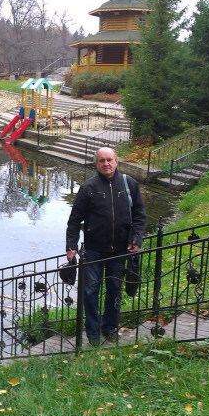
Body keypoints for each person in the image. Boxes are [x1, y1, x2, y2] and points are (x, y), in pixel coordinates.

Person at [66, 147, 147, 346]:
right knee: (90, 291)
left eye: (109, 160)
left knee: (114, 289)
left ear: (116, 161)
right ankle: (92, 331)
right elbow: (74, 220)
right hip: (93, 250)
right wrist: (71, 246)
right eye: (101, 160)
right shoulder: (88, 188)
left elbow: (139, 215)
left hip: (120, 249)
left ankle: (109, 328)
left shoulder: (129, 184)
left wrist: (136, 239)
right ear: (96, 164)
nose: (106, 164)